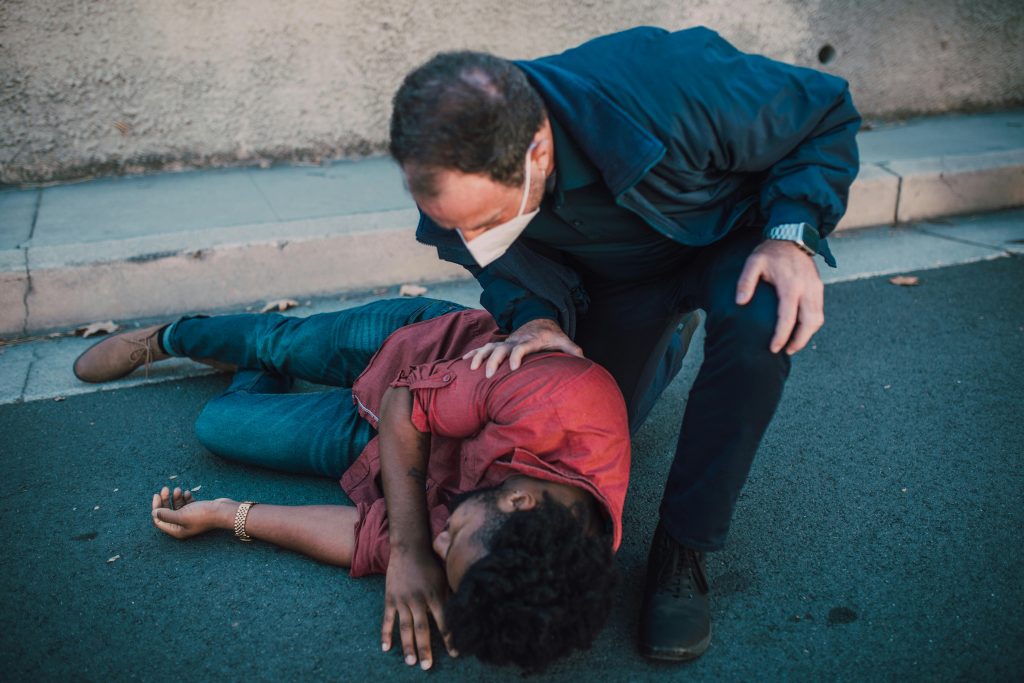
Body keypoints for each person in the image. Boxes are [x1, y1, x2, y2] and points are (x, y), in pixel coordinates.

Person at [389, 26, 861, 660]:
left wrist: (790, 234)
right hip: (608, 286)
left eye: (486, 221)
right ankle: (662, 338)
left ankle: (683, 547)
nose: (470, 240)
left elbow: (826, 110)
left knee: (763, 320)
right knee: (602, 421)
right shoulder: (456, 183)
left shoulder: (671, 81)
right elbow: (497, 265)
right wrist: (531, 314)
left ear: (536, 152)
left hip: (724, 244)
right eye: (456, 226)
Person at [72, 297, 629, 672]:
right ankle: (171, 335)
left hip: (379, 453)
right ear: (520, 499)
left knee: (216, 426)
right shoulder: (565, 402)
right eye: (450, 538)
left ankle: (250, 364)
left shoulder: (521, 553)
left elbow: (367, 536)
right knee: (287, 344)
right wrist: (412, 549)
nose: (440, 543)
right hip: (418, 352)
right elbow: (404, 402)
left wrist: (226, 514)